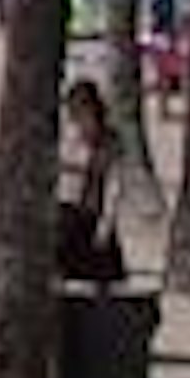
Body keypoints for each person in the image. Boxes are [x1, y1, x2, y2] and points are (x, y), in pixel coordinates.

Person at [53, 78, 125, 284]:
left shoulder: (109, 143)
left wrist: (106, 221)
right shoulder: (69, 140)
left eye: (82, 115)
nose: (79, 122)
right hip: (67, 214)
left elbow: (114, 185)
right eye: (74, 115)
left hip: (93, 215)